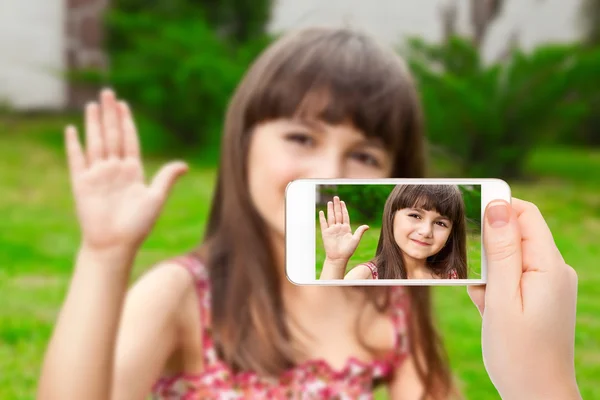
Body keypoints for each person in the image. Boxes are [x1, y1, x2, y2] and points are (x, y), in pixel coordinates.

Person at [36, 27, 581, 400]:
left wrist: (535, 373)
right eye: (300, 136)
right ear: (242, 143)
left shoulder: (391, 301)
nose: (326, 168)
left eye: (363, 155)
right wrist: (105, 256)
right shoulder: (182, 296)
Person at [319, 185, 468, 280]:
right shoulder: (366, 276)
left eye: (440, 223)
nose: (426, 231)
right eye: (415, 216)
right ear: (391, 217)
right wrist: (335, 262)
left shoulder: (450, 276)